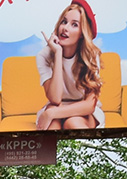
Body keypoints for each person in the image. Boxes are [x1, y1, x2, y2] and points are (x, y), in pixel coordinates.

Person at [35, 0, 104, 130]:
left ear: (82, 34)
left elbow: (89, 105)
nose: (65, 28)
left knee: (72, 123)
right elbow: (55, 99)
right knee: (51, 127)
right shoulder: (44, 56)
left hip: (82, 109)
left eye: (74, 25)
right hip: (57, 106)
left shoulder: (91, 55)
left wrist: (52, 113)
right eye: (64, 22)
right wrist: (58, 53)